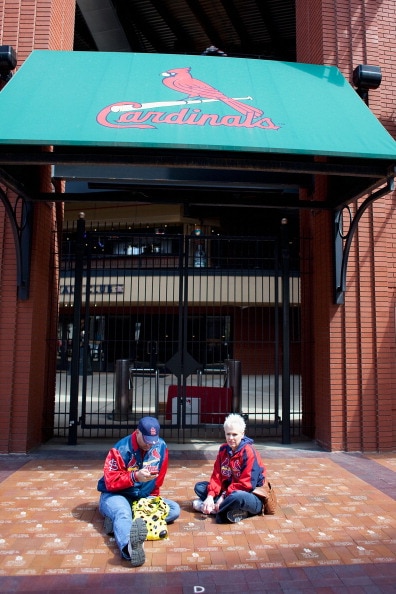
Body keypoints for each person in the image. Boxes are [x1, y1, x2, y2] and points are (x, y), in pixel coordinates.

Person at [97, 416, 180, 566]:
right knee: (122, 511)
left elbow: (159, 477)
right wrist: (134, 477)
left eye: (153, 440)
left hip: (142, 496)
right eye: (147, 440)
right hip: (117, 495)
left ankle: (118, 523)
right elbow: (110, 482)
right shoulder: (120, 449)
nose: (150, 444)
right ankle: (130, 547)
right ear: (137, 432)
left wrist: (153, 499)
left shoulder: (160, 446)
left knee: (174, 509)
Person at [193, 413, 266, 523]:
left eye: (234, 434)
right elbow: (216, 475)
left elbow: (247, 485)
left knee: (237, 496)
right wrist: (210, 496)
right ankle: (229, 510)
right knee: (200, 487)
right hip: (228, 491)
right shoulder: (223, 449)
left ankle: (216, 509)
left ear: (242, 434)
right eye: (228, 434)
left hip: (250, 495)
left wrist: (223, 496)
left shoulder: (249, 452)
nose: (231, 438)